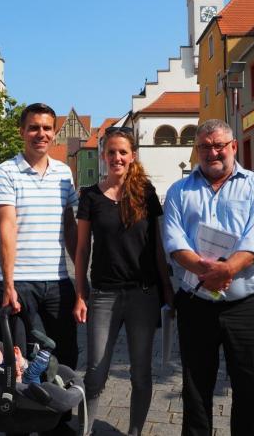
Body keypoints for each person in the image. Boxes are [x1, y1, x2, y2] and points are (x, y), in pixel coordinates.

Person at [162, 119, 254, 436]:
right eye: (204, 147)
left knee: (250, 387)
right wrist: (207, 272)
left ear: (233, 147)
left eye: (218, 145)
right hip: (196, 302)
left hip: (248, 305)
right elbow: (174, 240)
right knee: (196, 387)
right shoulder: (179, 190)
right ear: (196, 150)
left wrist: (227, 270)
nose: (212, 152)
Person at [73, 126, 174, 435]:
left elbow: (157, 246)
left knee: (141, 374)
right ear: (104, 155)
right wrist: (80, 293)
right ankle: (85, 431)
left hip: (143, 294)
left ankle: (134, 432)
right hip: (103, 295)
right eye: (111, 152)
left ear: (133, 156)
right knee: (95, 374)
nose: (117, 157)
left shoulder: (145, 193)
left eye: (122, 152)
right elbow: (81, 248)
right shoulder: (90, 195)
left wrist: (167, 292)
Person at [0, 102, 79, 436]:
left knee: (66, 352)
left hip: (57, 279)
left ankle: (56, 420)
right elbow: (7, 228)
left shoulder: (63, 173)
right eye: (33, 127)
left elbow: (69, 227)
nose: (41, 134)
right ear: (22, 132)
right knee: (21, 359)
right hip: (19, 281)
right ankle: (21, 423)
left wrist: (79, 280)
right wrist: (9, 284)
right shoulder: (6, 171)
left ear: (54, 133)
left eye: (46, 128)